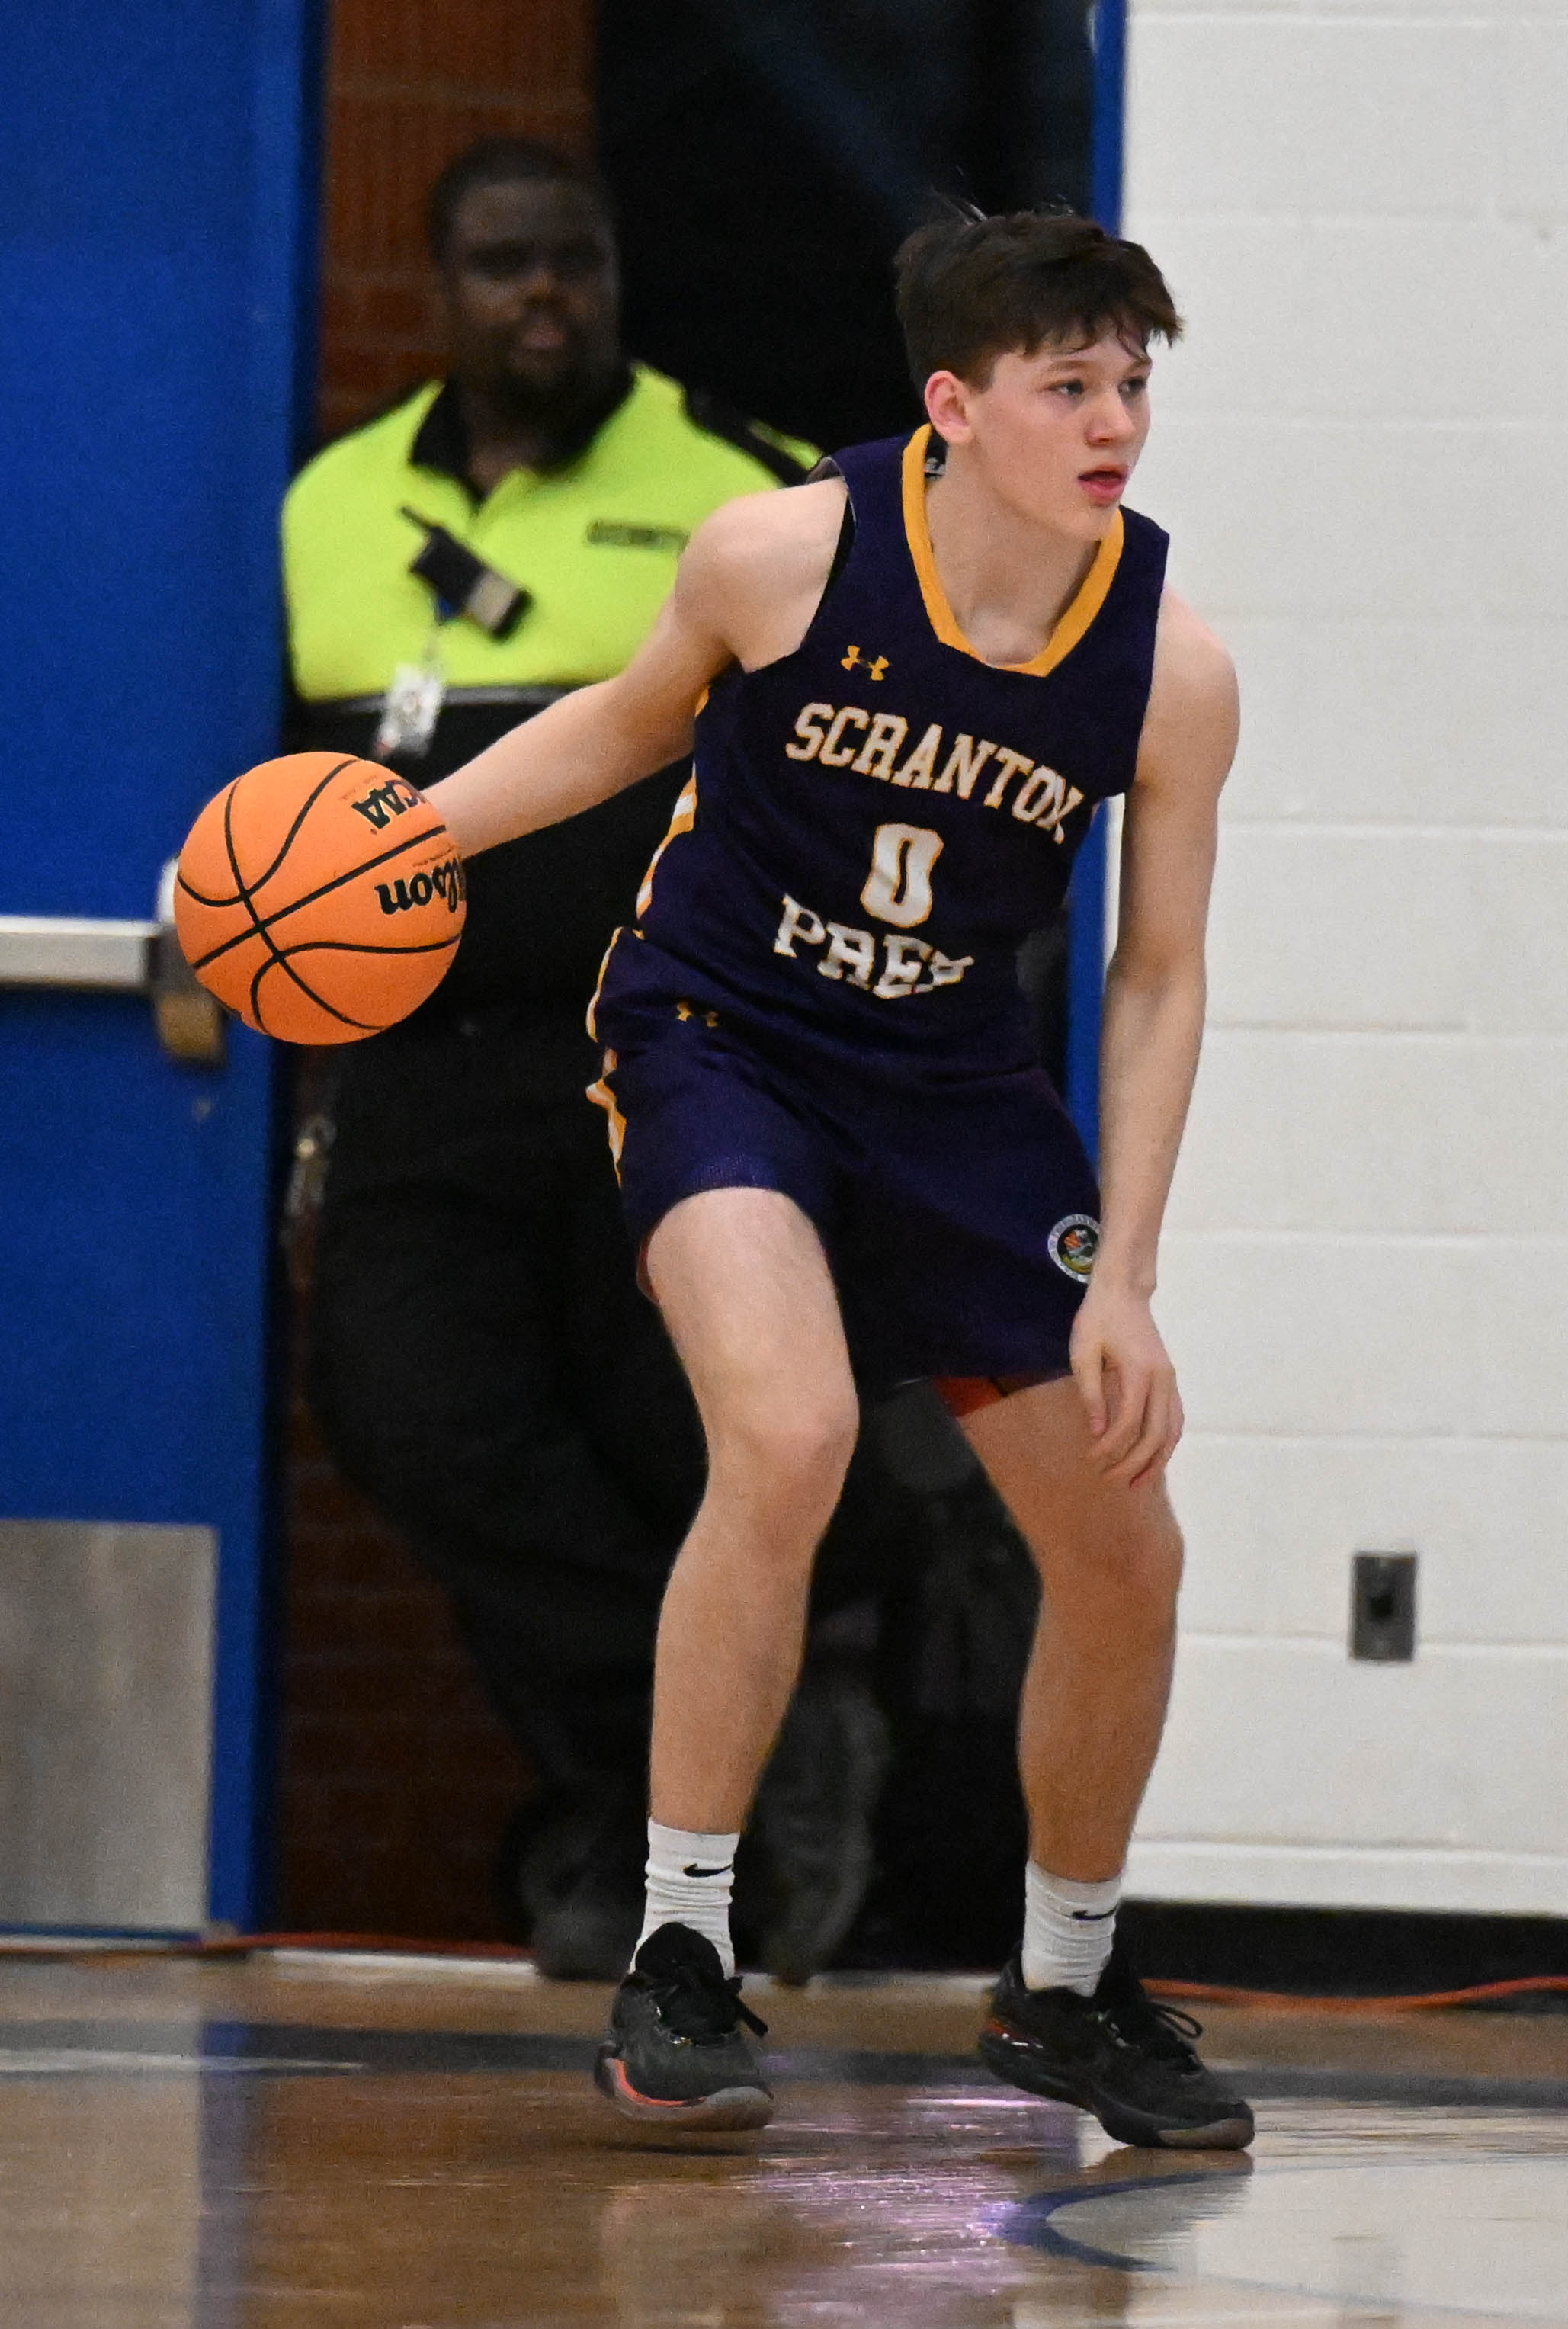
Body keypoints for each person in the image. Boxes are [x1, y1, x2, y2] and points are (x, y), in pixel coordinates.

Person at [427, 203, 1252, 2148]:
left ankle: (1060, 1984)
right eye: (1071, 385)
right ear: (953, 405)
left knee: (1127, 1544)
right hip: (725, 1039)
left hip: (955, 1090)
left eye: (1132, 381)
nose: (1115, 419)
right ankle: (682, 1949)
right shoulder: (780, 555)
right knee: (788, 1435)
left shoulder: (1169, 664)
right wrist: (400, 838)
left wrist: (1124, 1270)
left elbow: (1154, 973)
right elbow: (622, 730)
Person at [281, 137, 904, 1980]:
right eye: (500, 265)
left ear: (618, 276)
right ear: (437, 285)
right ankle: (713, 1765)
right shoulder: (324, 503)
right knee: (418, 1424)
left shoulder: (745, 483)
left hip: (671, 1061)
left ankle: (637, 1858)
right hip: (416, 1075)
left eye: (574, 263)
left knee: (680, 1447)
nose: (541, 296)